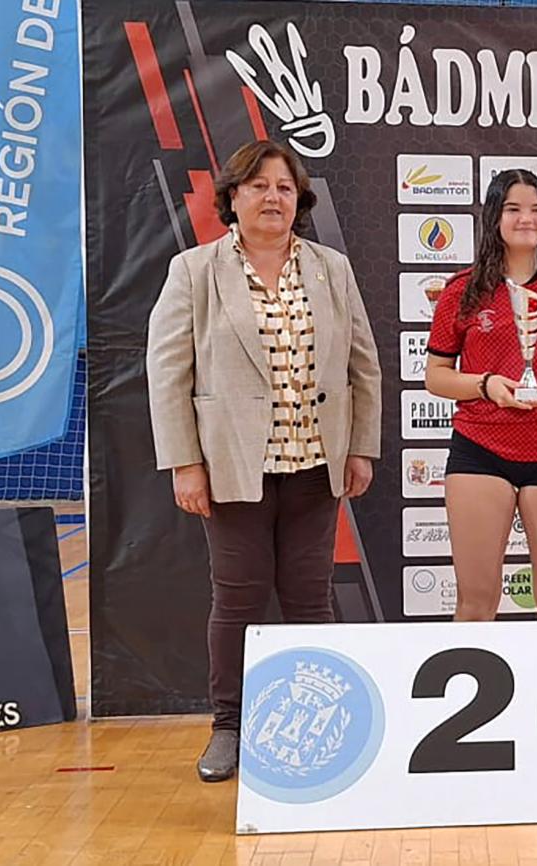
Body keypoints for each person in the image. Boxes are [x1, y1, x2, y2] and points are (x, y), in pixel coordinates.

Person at [146, 140, 381, 783]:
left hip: (315, 465)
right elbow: (168, 374)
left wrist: (360, 445)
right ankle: (230, 726)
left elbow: (363, 364)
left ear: (298, 199)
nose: (272, 197)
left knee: (309, 599)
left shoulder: (331, 268)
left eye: (283, 186)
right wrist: (185, 464)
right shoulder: (193, 271)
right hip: (231, 467)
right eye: (257, 186)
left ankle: (325, 722)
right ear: (232, 198)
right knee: (239, 598)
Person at [424, 169, 537, 621]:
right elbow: (436, 377)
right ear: (494, 218)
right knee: (476, 602)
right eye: (514, 209)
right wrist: (486, 386)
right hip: (480, 451)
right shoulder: (461, 291)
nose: (528, 219)